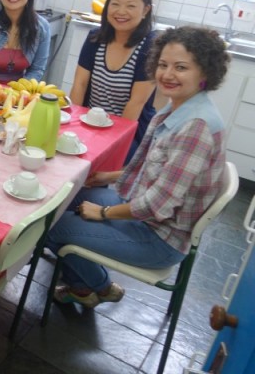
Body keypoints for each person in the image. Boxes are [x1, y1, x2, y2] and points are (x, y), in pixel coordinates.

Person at [46, 27, 230, 308]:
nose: (168, 74)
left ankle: (98, 286)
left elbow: (157, 205)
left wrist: (104, 213)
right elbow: (157, 171)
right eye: (163, 65)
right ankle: (83, 286)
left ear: (205, 72)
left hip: (159, 238)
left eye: (181, 67)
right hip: (145, 215)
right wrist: (110, 176)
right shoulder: (180, 107)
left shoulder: (196, 127)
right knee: (69, 195)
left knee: (49, 226)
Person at [69, 0, 156, 160]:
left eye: (131, 6)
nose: (121, 12)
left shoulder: (150, 48)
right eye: (115, 4)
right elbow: (80, 84)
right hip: (88, 123)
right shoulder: (95, 38)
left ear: (145, 10)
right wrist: (73, 127)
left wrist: (112, 142)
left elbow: (136, 103)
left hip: (126, 133)